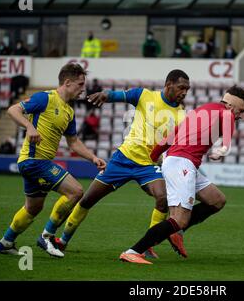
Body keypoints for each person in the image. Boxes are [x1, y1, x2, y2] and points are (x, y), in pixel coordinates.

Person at [55, 69, 190, 259]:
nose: (184, 92)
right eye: (181, 87)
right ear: (169, 84)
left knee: (163, 198)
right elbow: (118, 95)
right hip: (123, 159)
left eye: (187, 89)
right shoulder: (145, 95)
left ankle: (147, 245)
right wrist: (105, 95)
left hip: (148, 166)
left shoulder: (182, 116)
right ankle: (63, 240)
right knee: (87, 200)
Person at [119, 86, 244, 264]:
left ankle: (177, 231)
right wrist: (222, 150)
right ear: (230, 104)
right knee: (179, 218)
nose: (240, 115)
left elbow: (172, 134)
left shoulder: (202, 110)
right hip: (182, 164)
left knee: (216, 200)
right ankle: (134, 251)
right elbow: (227, 134)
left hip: (178, 161)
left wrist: (154, 155)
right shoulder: (226, 113)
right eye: (241, 110)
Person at [0, 63, 106, 258]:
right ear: (67, 82)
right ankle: (46, 237)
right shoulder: (44, 98)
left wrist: (93, 157)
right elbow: (13, 110)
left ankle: (6, 242)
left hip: (37, 162)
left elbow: (73, 142)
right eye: (80, 84)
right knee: (76, 191)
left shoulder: (69, 112)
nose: (83, 89)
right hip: (34, 160)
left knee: (33, 207)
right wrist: (29, 127)